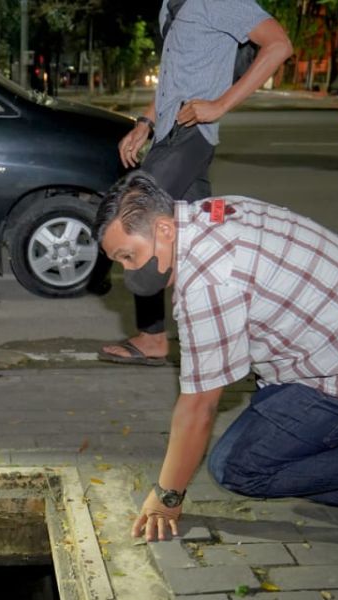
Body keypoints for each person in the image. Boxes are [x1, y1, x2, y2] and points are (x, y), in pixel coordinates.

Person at [93, 172, 338, 542]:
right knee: (264, 411)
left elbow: (199, 410)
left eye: (129, 256)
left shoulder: (209, 285)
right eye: (119, 261)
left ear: (163, 230)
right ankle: (318, 442)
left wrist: (166, 498)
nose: (128, 272)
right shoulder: (214, 212)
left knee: (237, 469)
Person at [99, 0, 291, 367]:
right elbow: (173, 79)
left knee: (136, 222)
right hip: (168, 135)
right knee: (202, 241)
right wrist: (145, 122)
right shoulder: (168, 7)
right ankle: (224, 331)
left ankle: (157, 337)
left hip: (192, 137)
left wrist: (219, 105)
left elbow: (279, 44)